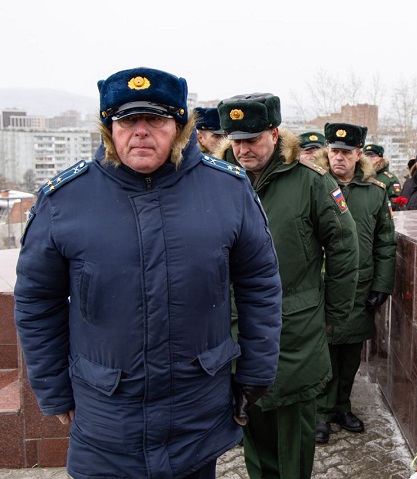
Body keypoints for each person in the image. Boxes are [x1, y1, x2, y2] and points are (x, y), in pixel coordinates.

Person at [13, 67, 283, 479]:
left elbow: (260, 286)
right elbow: (37, 301)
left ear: (179, 127)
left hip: (195, 414)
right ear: (110, 129)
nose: (141, 132)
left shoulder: (228, 191)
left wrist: (256, 374)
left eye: (155, 120)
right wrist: (52, 389)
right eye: (127, 121)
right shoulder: (65, 200)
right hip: (106, 418)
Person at [216, 93, 359, 478]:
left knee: (293, 440)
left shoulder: (311, 181)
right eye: (236, 140)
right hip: (234, 330)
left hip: (294, 330)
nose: (243, 149)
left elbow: (344, 247)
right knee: (252, 431)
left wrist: (333, 316)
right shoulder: (218, 179)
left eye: (253, 139)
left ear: (275, 134)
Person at [313, 124, 396, 444]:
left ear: (359, 154)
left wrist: (382, 285)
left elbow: (385, 242)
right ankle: (320, 412)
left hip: (360, 285)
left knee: (350, 353)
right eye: (334, 151)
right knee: (323, 350)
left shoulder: (375, 191)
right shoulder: (315, 183)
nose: (339, 157)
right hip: (321, 284)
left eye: (346, 153)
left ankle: (341, 407)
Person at [363, 143, 402, 208]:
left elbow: (395, 201)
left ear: (380, 158)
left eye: (372, 156)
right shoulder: (360, 176)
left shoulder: (390, 179)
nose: (369, 159)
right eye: (366, 156)